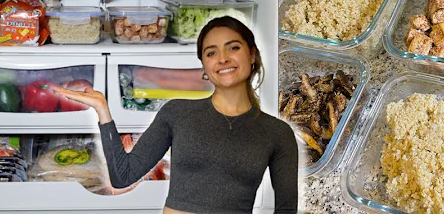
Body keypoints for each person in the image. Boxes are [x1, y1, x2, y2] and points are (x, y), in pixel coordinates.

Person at [53, 16, 299, 214]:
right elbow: (122, 176)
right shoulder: (178, 113)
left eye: (233, 48)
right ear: (204, 65)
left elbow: (286, 208)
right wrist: (103, 112)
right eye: (211, 53)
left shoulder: (277, 133)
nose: (223, 58)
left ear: (252, 54)